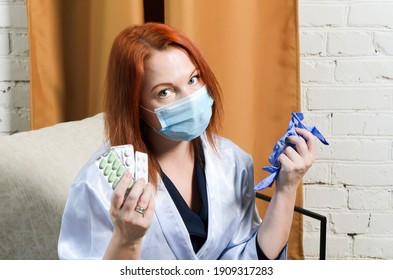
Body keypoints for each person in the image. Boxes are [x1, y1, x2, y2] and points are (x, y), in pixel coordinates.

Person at [58, 22, 317, 260]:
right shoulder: (97, 185)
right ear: (134, 105)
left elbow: (248, 260)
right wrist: (127, 239)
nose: (190, 99)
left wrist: (286, 186)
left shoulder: (233, 162)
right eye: (165, 92)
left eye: (193, 79)